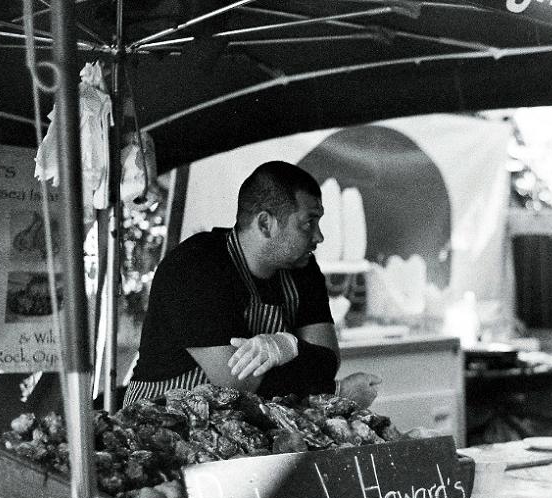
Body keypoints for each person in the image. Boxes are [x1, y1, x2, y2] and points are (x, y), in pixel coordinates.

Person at [124, 161, 380, 407]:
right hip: (160, 421)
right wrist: (335, 390)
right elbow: (238, 383)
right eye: (308, 223)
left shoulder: (303, 269)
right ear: (265, 224)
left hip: (247, 420)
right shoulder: (196, 265)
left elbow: (328, 361)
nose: (319, 236)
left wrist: (289, 346)